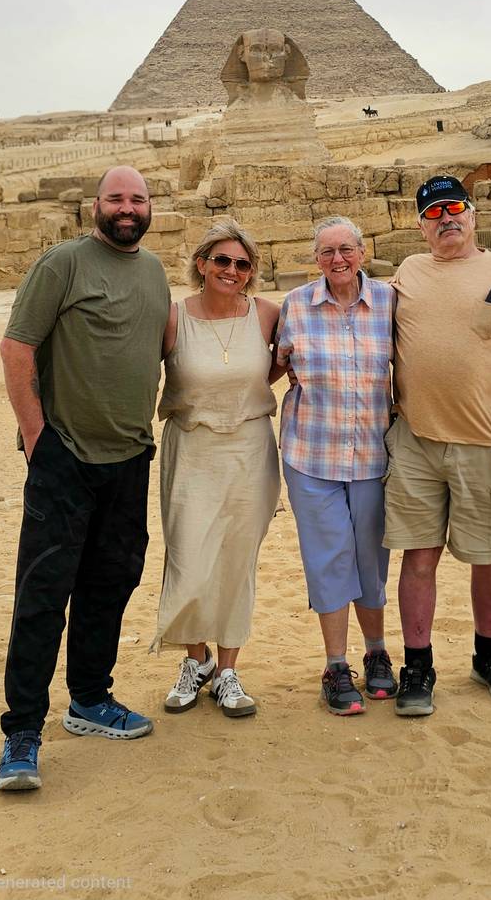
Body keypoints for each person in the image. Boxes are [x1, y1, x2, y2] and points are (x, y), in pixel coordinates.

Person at [0, 166, 171, 791]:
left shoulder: (153, 271)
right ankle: (21, 732)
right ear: (95, 206)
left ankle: (90, 699)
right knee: (44, 595)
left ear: (151, 208)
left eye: (138, 199)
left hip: (128, 460)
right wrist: (39, 437)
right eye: (116, 198)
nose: (127, 208)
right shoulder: (63, 264)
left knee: (110, 584)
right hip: (64, 460)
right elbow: (17, 348)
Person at [385, 174, 491, 717]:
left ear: (472, 214)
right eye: (433, 213)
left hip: (483, 440)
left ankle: (489, 656)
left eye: (455, 208)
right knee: (418, 555)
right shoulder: (408, 272)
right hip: (416, 441)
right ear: (421, 225)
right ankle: (418, 665)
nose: (446, 218)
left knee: (485, 555)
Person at [151, 219, 281, 719]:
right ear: (201, 264)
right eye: (222, 260)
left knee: (235, 561)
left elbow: (281, 364)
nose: (232, 270)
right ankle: (194, 662)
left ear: (252, 272)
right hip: (191, 447)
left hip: (250, 449)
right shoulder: (171, 317)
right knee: (188, 558)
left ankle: (227, 670)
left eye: (242, 263)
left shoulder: (268, 315)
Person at [275, 216, 397, 716]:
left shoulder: (390, 302)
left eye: (346, 249)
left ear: (363, 254)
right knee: (328, 560)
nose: (337, 260)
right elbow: (275, 366)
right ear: (316, 259)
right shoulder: (295, 306)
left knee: (371, 560)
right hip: (311, 455)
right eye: (326, 252)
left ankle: (376, 653)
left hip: (373, 455)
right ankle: (335, 665)